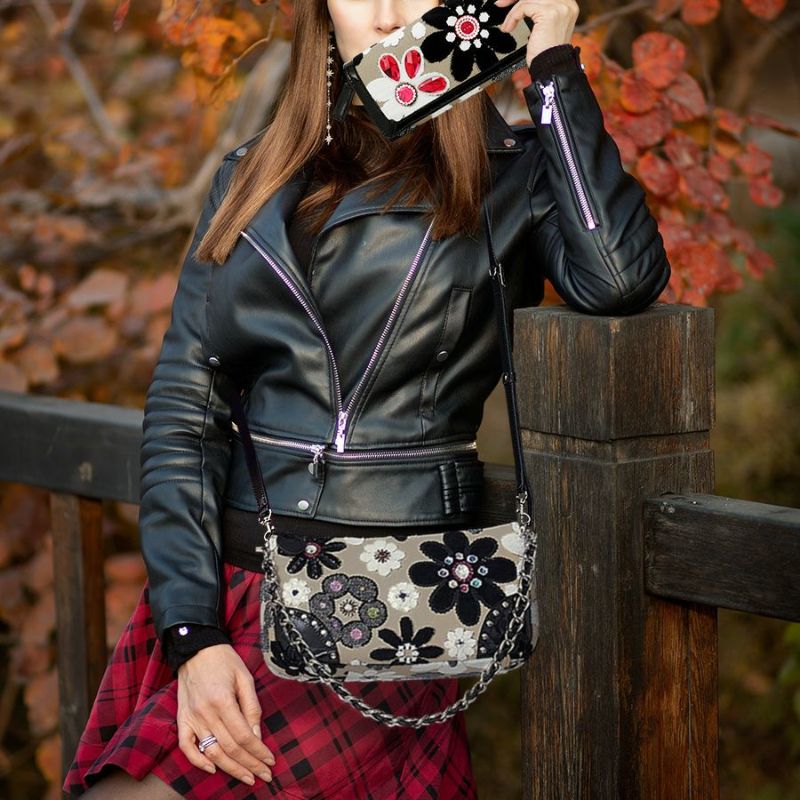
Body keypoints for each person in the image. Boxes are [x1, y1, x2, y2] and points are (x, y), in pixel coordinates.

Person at [63, 0, 670, 796]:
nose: (385, 15)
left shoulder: (512, 173)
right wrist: (191, 631)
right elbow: (185, 411)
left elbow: (620, 277)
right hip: (224, 588)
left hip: (383, 592)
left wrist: (552, 71)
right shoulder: (250, 174)